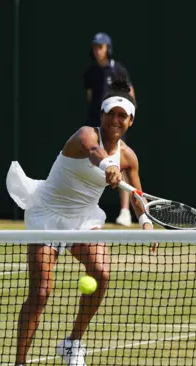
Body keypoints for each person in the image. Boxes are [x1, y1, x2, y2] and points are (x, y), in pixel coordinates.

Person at [5, 77, 153, 366]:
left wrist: (146, 223)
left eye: (122, 116)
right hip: (46, 214)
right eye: (112, 113)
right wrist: (107, 168)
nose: (116, 120)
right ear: (102, 115)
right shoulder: (86, 135)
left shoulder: (129, 157)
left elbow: (138, 194)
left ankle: (73, 343)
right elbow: (95, 153)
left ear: (130, 122)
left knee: (101, 273)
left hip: (83, 219)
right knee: (41, 292)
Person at [83, 32, 136, 227]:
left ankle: (125, 212)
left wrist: (122, 120)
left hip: (115, 126)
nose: (98, 50)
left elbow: (131, 95)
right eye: (95, 47)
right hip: (96, 125)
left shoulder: (118, 70)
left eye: (101, 46)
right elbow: (90, 98)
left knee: (122, 164)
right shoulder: (91, 73)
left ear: (108, 48)